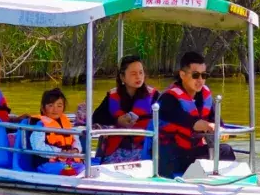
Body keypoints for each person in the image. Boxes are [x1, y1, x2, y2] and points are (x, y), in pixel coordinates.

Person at [156, 51, 234, 179]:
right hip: (171, 154)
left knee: (226, 151)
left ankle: (225, 184)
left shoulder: (206, 97)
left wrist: (220, 129)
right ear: (182, 74)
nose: (200, 80)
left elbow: (218, 122)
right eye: (196, 75)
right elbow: (189, 121)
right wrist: (210, 126)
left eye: (204, 75)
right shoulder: (168, 99)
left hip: (192, 152)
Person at [92, 55, 160, 163]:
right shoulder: (112, 96)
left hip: (144, 149)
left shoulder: (154, 96)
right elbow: (96, 117)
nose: (138, 77)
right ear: (122, 77)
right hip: (117, 150)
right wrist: (117, 120)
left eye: (141, 72)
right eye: (133, 74)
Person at [28, 88, 83, 175]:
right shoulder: (40, 125)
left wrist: (75, 150)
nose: (55, 109)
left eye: (59, 106)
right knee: (64, 170)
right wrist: (59, 152)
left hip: (66, 161)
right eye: (51, 105)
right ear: (43, 108)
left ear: (63, 108)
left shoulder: (67, 123)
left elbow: (76, 140)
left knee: (83, 168)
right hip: (46, 163)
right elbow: (38, 147)